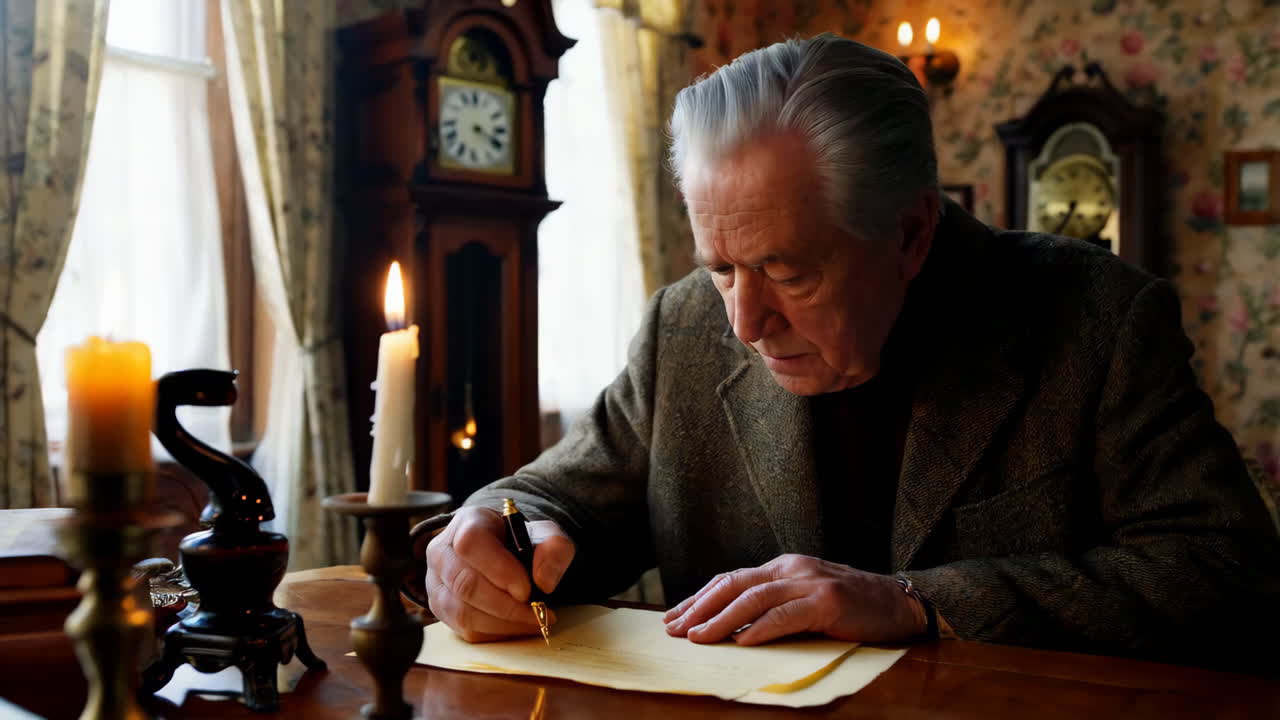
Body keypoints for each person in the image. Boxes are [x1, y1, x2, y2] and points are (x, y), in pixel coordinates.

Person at [417, 33, 1280, 669]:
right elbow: (548, 498)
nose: (746, 321)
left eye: (786, 270)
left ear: (910, 233)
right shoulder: (684, 326)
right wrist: (493, 537)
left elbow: (1228, 573)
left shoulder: (1096, 318)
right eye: (721, 266)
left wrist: (917, 602)